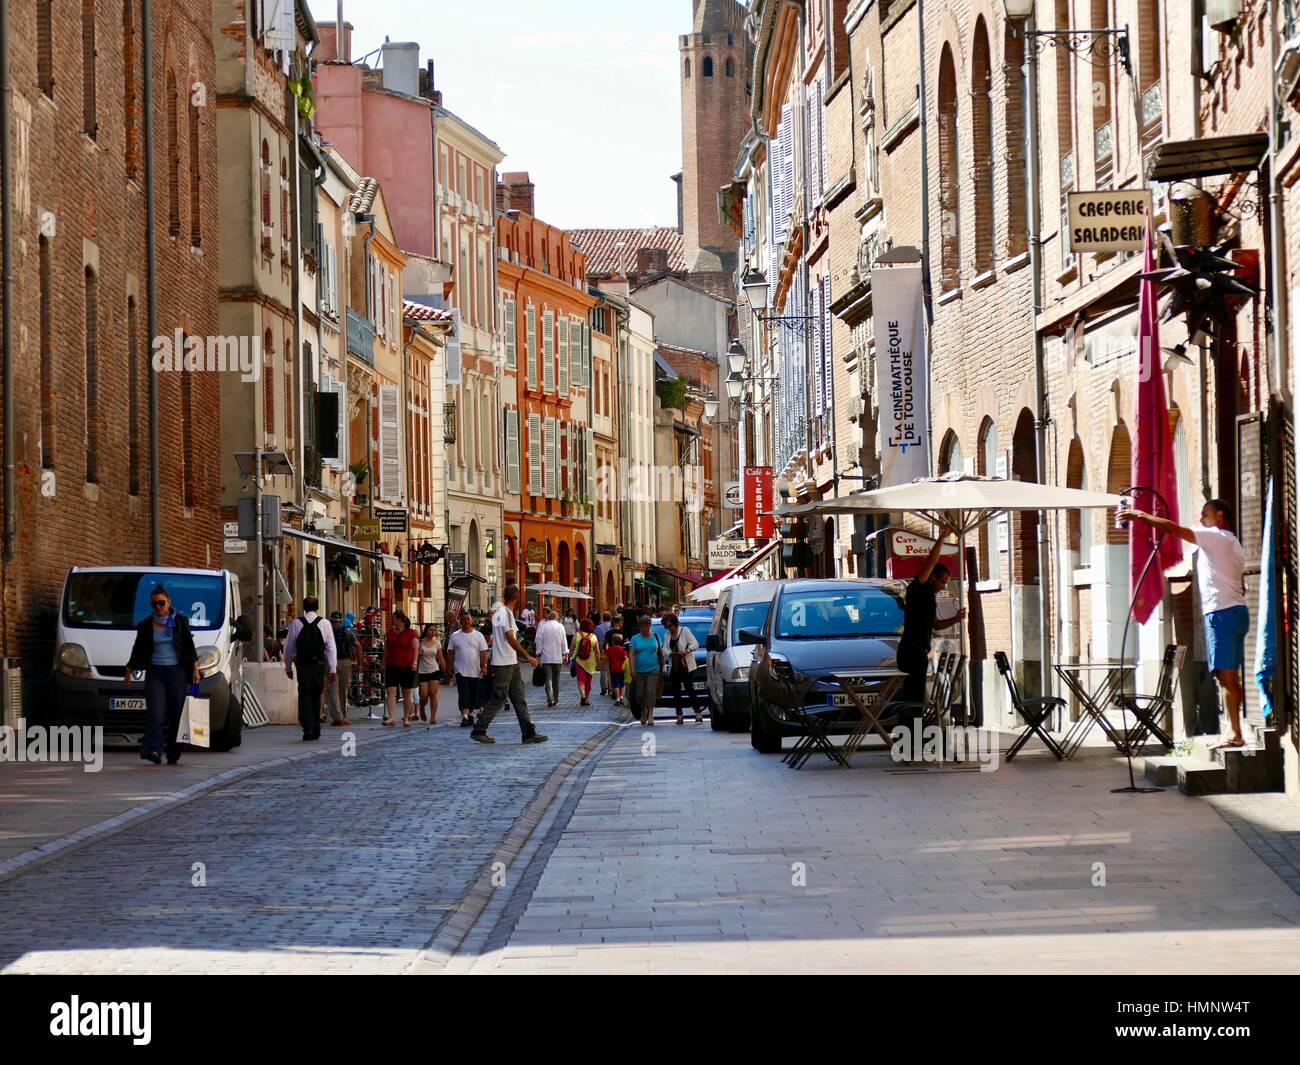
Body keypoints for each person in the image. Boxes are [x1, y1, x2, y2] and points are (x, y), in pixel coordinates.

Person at [1119, 498, 1249, 748]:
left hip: (1220, 613)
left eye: (1205, 514)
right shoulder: (1234, 543)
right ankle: (1235, 730)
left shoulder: (1214, 535)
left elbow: (1173, 529)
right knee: (1229, 675)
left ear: (1219, 516)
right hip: (1235, 611)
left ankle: (1235, 733)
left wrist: (1140, 515)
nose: (1201, 519)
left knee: (1226, 676)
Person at [896, 528, 966, 749]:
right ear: (932, 576)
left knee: (915, 697)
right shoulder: (918, 588)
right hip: (910, 651)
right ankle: (911, 740)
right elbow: (930, 560)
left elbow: (936, 624)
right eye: (942, 581)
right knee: (914, 698)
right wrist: (942, 539)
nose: (943, 585)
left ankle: (909, 739)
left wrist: (955, 618)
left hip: (918, 652)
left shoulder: (929, 597)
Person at [125, 584, 200, 765]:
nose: (158, 607)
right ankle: (155, 749)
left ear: (168, 602)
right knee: (156, 712)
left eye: (161, 603)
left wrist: (195, 669)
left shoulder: (180, 622)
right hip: (155, 672)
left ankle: (173, 752)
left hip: (176, 672)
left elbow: (189, 647)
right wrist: (129, 669)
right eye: (154, 604)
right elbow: (138, 649)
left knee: (176, 714)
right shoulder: (145, 625)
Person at [471, 585, 548, 745]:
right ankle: (479, 729)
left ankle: (528, 733)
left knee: (519, 698)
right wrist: (528, 655)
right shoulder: (504, 613)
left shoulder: (503, 613)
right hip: (503, 662)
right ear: (516, 596)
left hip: (510, 662)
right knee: (499, 697)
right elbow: (510, 638)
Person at [283, 596, 338, 743]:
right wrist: (332, 668)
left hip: (303, 666)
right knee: (316, 695)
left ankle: (308, 728)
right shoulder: (325, 623)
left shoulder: (296, 623)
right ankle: (316, 726)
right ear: (317, 607)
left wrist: (288, 666)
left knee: (304, 695)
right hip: (318, 665)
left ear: (304, 607)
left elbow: (289, 647)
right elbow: (330, 647)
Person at [446, 611, 489, 727]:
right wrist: (448, 669)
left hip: (475, 670)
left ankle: (471, 714)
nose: (466, 621)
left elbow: (483, 652)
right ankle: (464, 716)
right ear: (460, 621)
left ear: (471, 621)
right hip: (460, 670)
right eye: (463, 619)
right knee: (464, 692)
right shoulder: (455, 636)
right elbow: (450, 653)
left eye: (468, 619)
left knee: (474, 693)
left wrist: (484, 666)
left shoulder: (478, 635)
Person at [662, 613, 704, 725]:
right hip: (674, 666)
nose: (668, 628)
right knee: (676, 691)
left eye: (670, 626)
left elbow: (695, 643)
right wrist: (671, 653)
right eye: (666, 627)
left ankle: (698, 712)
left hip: (687, 665)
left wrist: (687, 651)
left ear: (675, 624)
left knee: (689, 688)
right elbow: (664, 649)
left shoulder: (684, 630)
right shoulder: (666, 635)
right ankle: (679, 715)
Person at [627, 615, 666, 727]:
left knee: (650, 691)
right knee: (639, 694)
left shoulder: (656, 637)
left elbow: (661, 653)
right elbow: (632, 654)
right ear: (640, 627)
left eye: (648, 626)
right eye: (643, 626)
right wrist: (632, 669)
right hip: (639, 670)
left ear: (650, 626)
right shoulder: (635, 639)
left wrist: (663, 667)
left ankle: (651, 714)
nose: (646, 628)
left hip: (654, 668)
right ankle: (643, 710)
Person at [383, 611, 420, 727]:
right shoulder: (390, 633)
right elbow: (387, 649)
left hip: (406, 666)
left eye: (393, 618)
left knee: (407, 692)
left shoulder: (411, 633)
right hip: (392, 665)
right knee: (390, 691)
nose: (392, 620)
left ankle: (406, 718)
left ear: (400, 620)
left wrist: (414, 663)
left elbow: (415, 649)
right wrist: (383, 663)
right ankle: (391, 717)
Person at [325, 611, 355, 727]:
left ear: (330, 620)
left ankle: (337, 717)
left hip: (330, 663)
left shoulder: (327, 632)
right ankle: (343, 716)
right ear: (341, 620)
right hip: (345, 662)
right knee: (343, 690)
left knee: (333, 690)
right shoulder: (347, 631)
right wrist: (359, 662)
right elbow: (357, 646)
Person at [534, 609, 569, 708]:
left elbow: (539, 640)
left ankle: (550, 699)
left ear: (549, 617)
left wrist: (538, 653)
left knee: (548, 679)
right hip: (557, 657)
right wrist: (565, 654)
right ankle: (556, 698)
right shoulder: (560, 627)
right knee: (556, 679)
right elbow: (564, 641)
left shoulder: (543, 627)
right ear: (557, 617)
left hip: (546, 657)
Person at [416, 623, 447, 724]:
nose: (433, 632)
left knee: (433, 694)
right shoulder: (420, 642)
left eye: (434, 630)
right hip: (422, 671)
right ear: (426, 631)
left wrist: (445, 670)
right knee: (424, 695)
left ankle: (433, 717)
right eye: (431, 630)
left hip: (434, 670)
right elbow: (416, 658)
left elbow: (441, 658)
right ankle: (422, 707)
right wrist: (418, 654)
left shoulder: (437, 643)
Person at [570, 617, 599, 707]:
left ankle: (582, 696)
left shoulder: (577, 635)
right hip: (590, 662)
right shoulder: (593, 637)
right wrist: (598, 663)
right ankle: (586, 699)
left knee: (580, 679)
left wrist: (568, 657)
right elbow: (597, 651)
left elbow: (572, 648)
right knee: (588, 680)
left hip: (579, 660)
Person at [605, 631, 629, 708]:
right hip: (622, 669)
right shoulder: (623, 649)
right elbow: (626, 659)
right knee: (622, 684)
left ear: (612, 641)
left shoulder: (610, 649)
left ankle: (617, 699)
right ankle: (622, 697)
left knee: (616, 685)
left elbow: (606, 658)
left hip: (613, 670)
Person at [594, 612, 613, 696]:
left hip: (601, 649)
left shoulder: (598, 627)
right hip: (611, 649)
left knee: (603, 670)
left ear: (603, 618)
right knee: (611, 669)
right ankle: (610, 688)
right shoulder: (612, 627)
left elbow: (595, 638)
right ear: (610, 618)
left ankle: (604, 688)